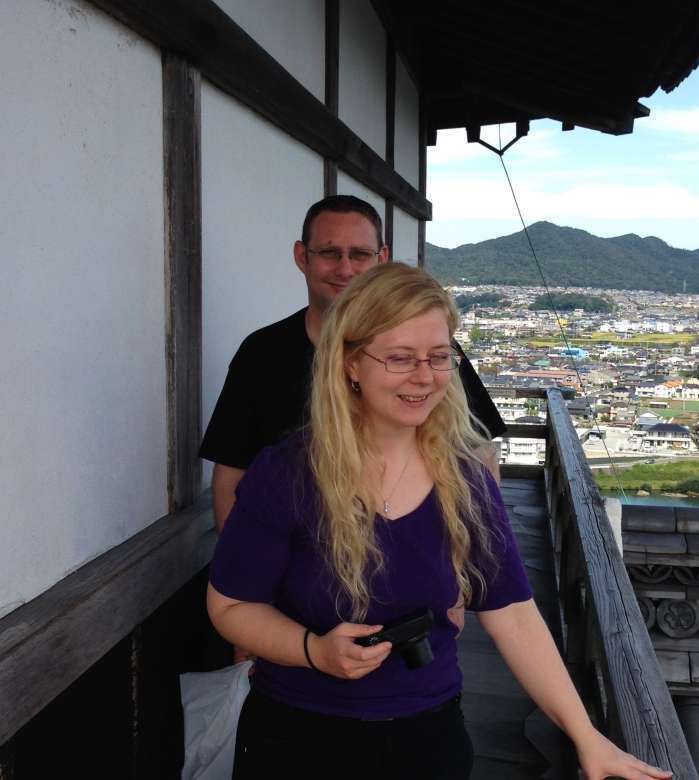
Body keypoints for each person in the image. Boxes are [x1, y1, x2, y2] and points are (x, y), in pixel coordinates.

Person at [207, 264, 672, 780]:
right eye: (400, 358)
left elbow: (513, 612)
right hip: (297, 735)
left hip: (427, 733)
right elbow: (230, 606)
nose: (424, 377)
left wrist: (586, 736)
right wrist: (313, 651)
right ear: (349, 363)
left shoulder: (464, 479)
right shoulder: (287, 473)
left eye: (438, 357)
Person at [199, 195, 505, 531]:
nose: (345, 268)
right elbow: (231, 474)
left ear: (381, 258)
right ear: (302, 257)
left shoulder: (430, 354)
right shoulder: (261, 354)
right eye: (330, 253)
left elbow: (480, 451)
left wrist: (478, 543)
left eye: (359, 254)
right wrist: (238, 566)